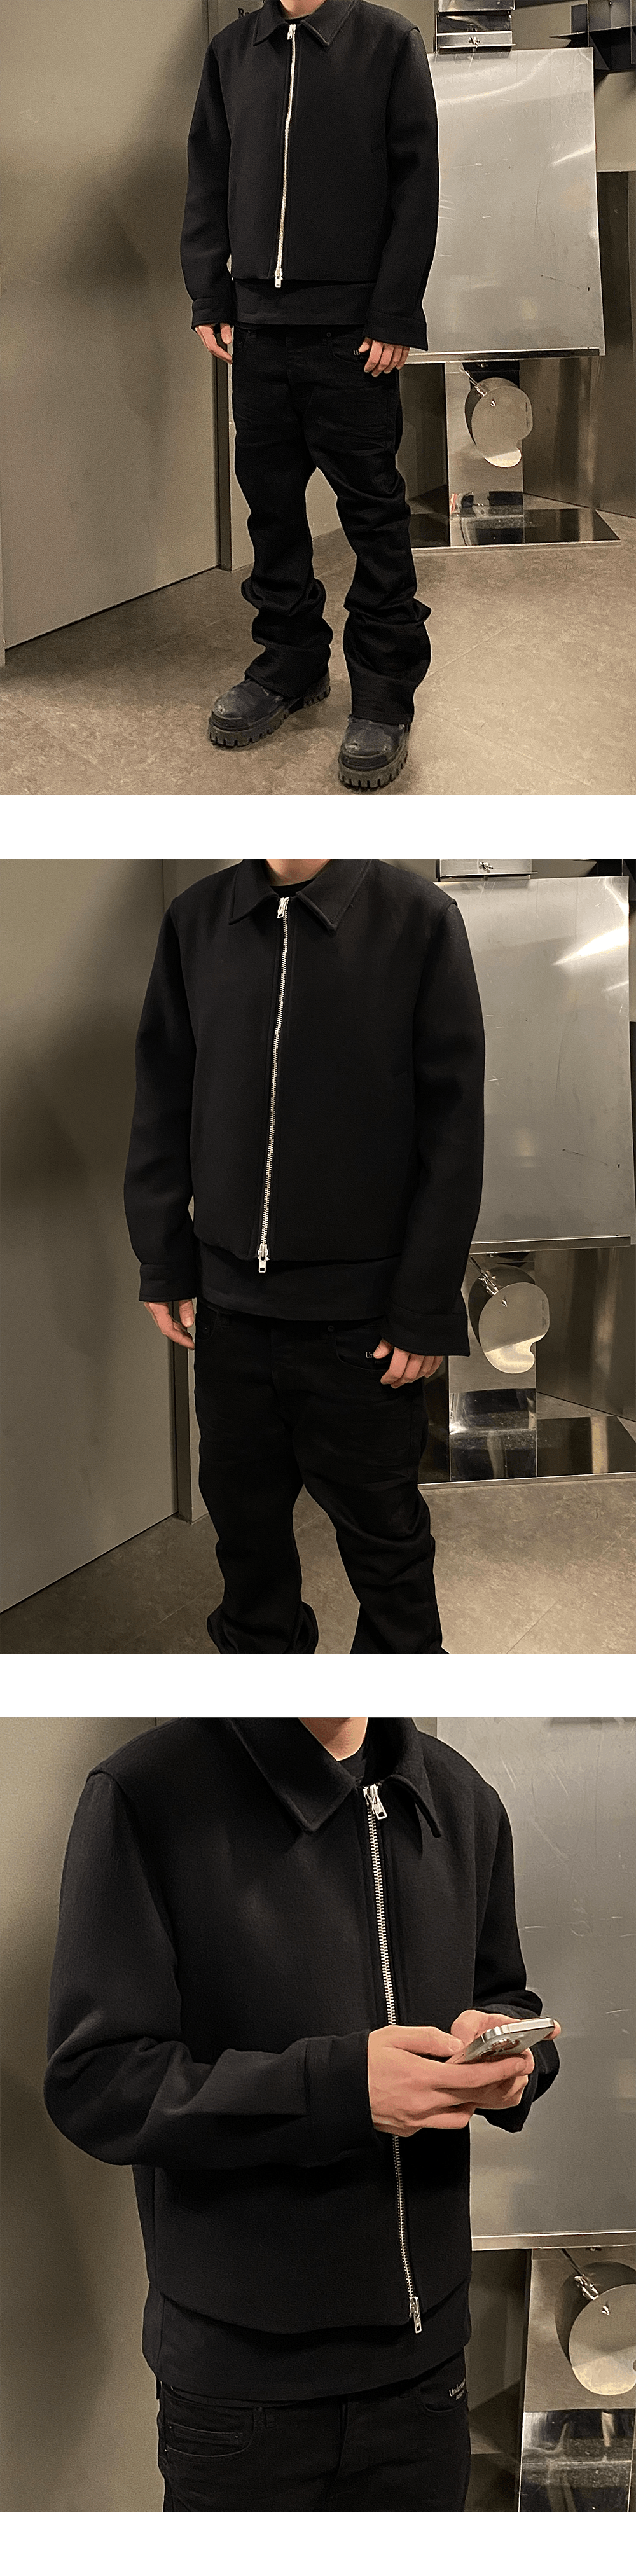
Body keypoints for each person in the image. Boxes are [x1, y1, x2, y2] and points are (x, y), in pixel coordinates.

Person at [43, 1713, 562, 2513]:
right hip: (242, 2395)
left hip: (427, 2378)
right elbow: (98, 2080)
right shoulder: (146, 1793)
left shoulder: (460, 1797)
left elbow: (504, 1992)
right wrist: (335, 2091)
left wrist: (512, 2058)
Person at [123, 852, 486, 1655]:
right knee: (246, 1549)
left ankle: (389, 1735)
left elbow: (454, 1129)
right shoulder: (195, 919)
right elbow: (163, 1093)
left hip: (363, 1331)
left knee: (387, 1556)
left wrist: (425, 1305)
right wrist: (164, 1256)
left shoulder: (418, 918)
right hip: (229, 1321)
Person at [179, 0, 439, 792]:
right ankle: (290, 662)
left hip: (352, 336)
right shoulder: (232, 50)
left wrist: (393, 312)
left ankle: (384, 691)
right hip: (257, 331)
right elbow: (208, 175)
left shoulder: (388, 41)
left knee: (373, 516)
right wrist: (209, 294)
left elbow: (416, 182)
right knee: (271, 511)